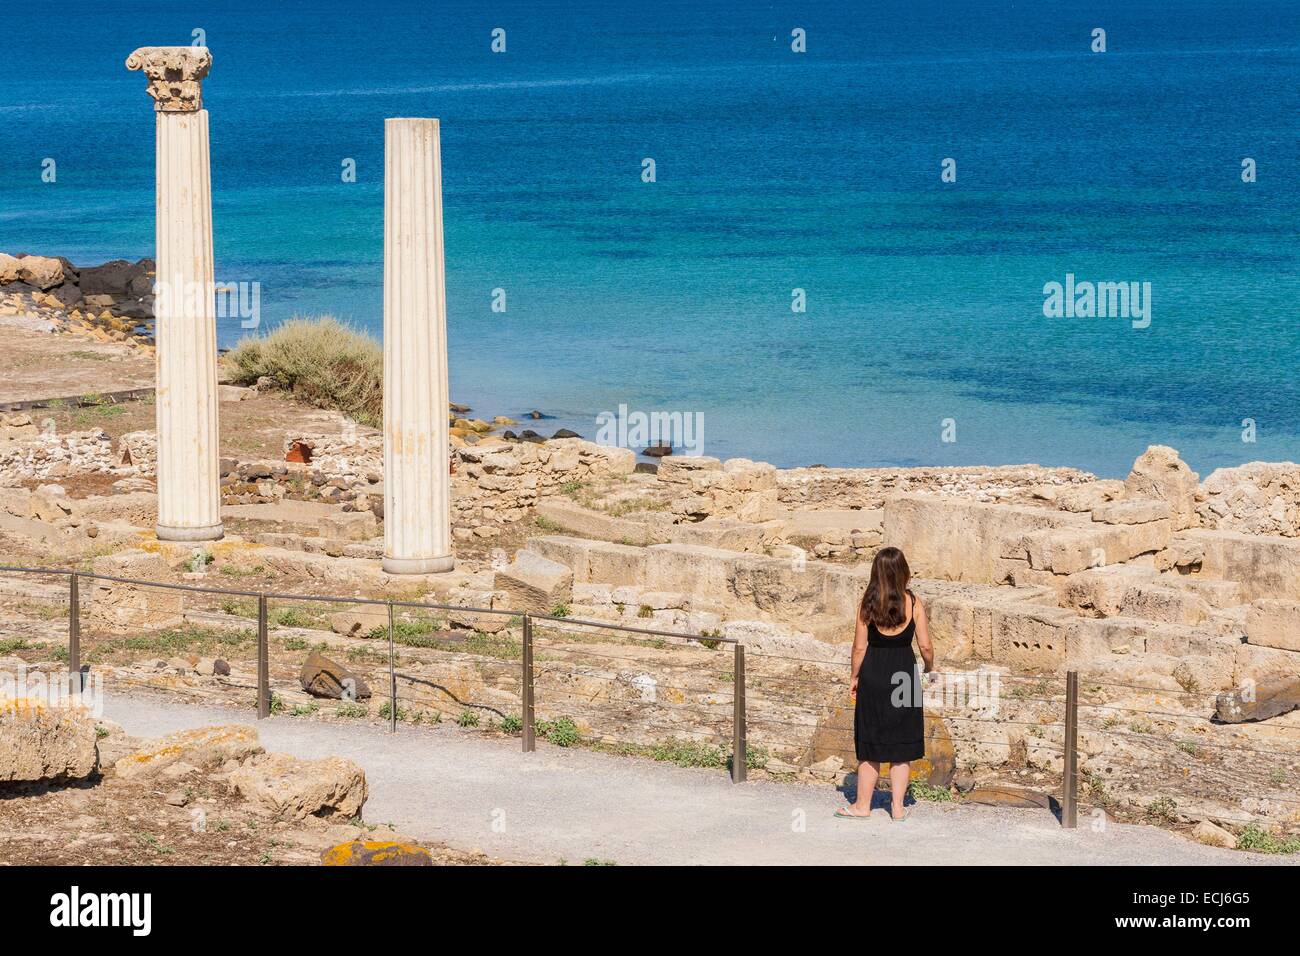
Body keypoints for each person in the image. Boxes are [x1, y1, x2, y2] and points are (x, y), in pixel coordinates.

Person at [835, 547, 935, 822]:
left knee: (871, 743)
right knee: (901, 745)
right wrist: (930, 668)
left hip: (874, 675)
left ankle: (862, 806)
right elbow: (925, 644)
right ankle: (898, 808)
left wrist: (854, 677)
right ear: (903, 571)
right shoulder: (913, 602)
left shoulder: (867, 604)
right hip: (904, 674)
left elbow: (858, 648)